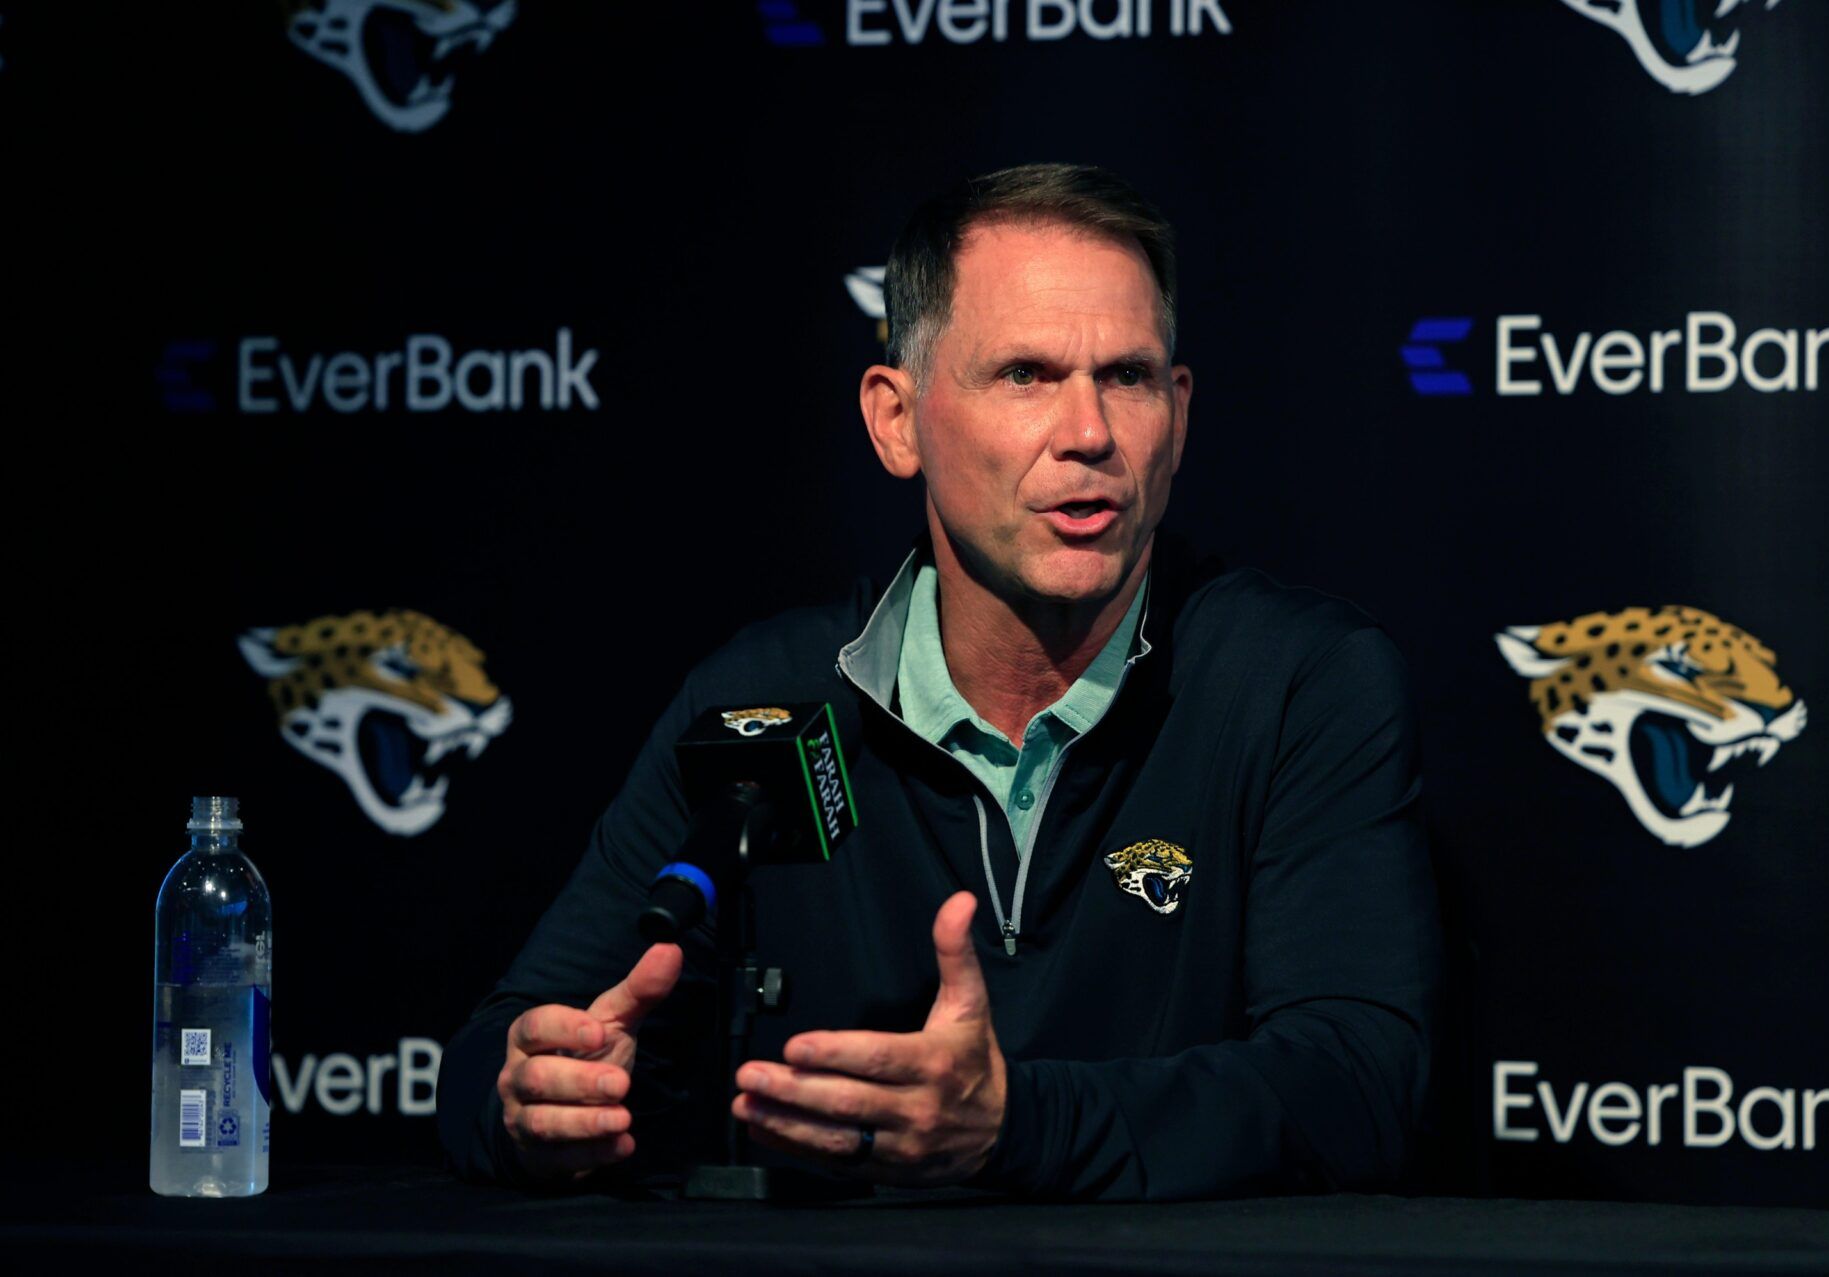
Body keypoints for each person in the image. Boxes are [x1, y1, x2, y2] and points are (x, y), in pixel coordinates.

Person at [438, 163, 1442, 1201]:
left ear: (1178, 416)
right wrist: (533, 1101)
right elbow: (490, 1057)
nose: (1089, 431)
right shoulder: (765, 694)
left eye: (1130, 377)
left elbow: (1357, 1086)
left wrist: (1016, 1125)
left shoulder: (1298, 683)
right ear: (897, 419)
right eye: (1025, 374)